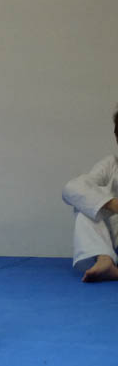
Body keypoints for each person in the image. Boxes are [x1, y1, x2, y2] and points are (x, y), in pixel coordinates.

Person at [61, 105, 118, 282]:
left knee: (92, 200)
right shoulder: (111, 164)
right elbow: (72, 188)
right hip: (115, 243)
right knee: (86, 203)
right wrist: (111, 203)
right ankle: (104, 260)